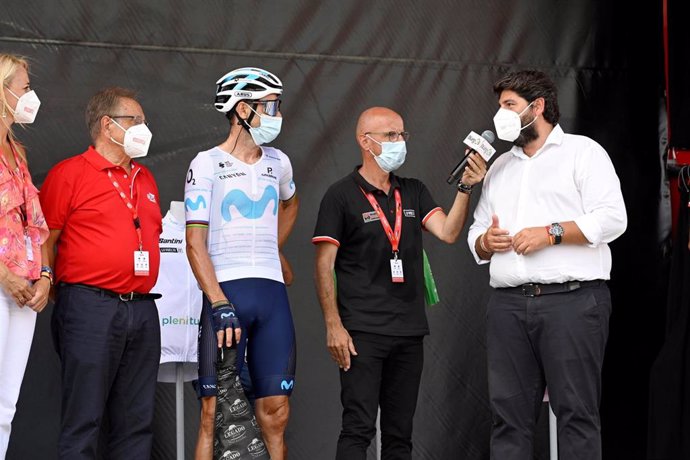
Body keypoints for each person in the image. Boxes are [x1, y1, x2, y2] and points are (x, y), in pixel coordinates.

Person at [467, 69, 627, 459]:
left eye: (509, 105)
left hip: (571, 303)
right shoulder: (500, 167)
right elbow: (475, 232)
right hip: (507, 306)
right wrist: (485, 242)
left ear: (536, 107)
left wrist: (550, 232)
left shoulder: (583, 152)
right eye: (500, 105)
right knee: (508, 419)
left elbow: (612, 219)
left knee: (576, 414)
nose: (499, 114)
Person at [312, 106, 487, 460]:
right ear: (366, 141)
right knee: (358, 428)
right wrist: (334, 326)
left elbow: (449, 232)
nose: (399, 142)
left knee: (399, 434)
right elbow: (323, 265)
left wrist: (466, 186)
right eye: (391, 135)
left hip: (408, 331)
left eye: (402, 134)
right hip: (361, 331)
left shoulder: (413, 191)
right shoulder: (340, 195)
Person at [40, 87, 162, 459]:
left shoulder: (145, 177)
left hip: (142, 309)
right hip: (90, 306)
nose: (144, 128)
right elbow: (46, 238)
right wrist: (55, 282)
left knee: (137, 422)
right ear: (108, 126)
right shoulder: (69, 174)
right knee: (84, 420)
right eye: (135, 121)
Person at [185, 66, 299, 460]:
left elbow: (290, 202)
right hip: (226, 293)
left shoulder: (279, 162)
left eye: (277, 104)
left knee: (276, 413)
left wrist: (273, 245)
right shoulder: (206, 163)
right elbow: (194, 242)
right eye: (269, 105)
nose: (276, 113)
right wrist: (217, 302)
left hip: (271, 296)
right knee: (212, 414)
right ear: (242, 109)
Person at [0, 53, 49, 459]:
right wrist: (4, 276)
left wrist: (45, 275)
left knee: (6, 403)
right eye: (25, 87)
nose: (30, 95)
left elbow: (35, 222)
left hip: (24, 288)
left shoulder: (18, 151)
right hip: (2, 282)